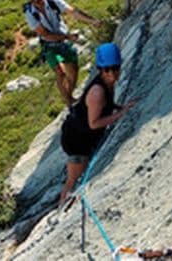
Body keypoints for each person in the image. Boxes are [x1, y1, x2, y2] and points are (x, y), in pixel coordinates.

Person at [58, 42, 135, 205]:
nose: (112, 73)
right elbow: (94, 123)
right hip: (76, 142)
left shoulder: (107, 84)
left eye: (115, 68)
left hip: (81, 136)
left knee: (81, 174)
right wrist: (120, 114)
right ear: (100, 70)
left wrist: (119, 107)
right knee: (73, 180)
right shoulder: (97, 91)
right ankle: (61, 209)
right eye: (107, 70)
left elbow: (106, 106)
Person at [22, 0, 101, 107]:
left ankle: (67, 95)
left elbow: (73, 11)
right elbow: (45, 34)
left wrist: (92, 21)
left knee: (74, 70)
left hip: (64, 42)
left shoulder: (53, 1)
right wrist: (67, 36)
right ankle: (69, 102)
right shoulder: (30, 13)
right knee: (60, 71)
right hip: (49, 45)